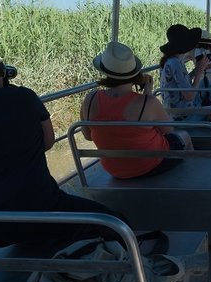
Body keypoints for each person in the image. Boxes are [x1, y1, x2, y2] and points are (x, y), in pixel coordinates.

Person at [0, 49, 124, 250]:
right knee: (114, 222)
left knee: (33, 229)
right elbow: (48, 142)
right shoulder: (23, 97)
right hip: (37, 209)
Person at [80, 41, 192, 179]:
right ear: (134, 74)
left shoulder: (90, 99)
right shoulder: (148, 103)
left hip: (114, 171)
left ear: (105, 71)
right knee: (184, 135)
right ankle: (189, 177)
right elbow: (169, 131)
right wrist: (148, 93)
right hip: (150, 166)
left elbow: (87, 136)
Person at [159, 23, 211, 121]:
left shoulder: (172, 61)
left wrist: (196, 70)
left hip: (176, 109)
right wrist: (199, 72)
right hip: (181, 116)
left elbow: (181, 83)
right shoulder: (175, 63)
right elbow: (189, 96)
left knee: (206, 84)